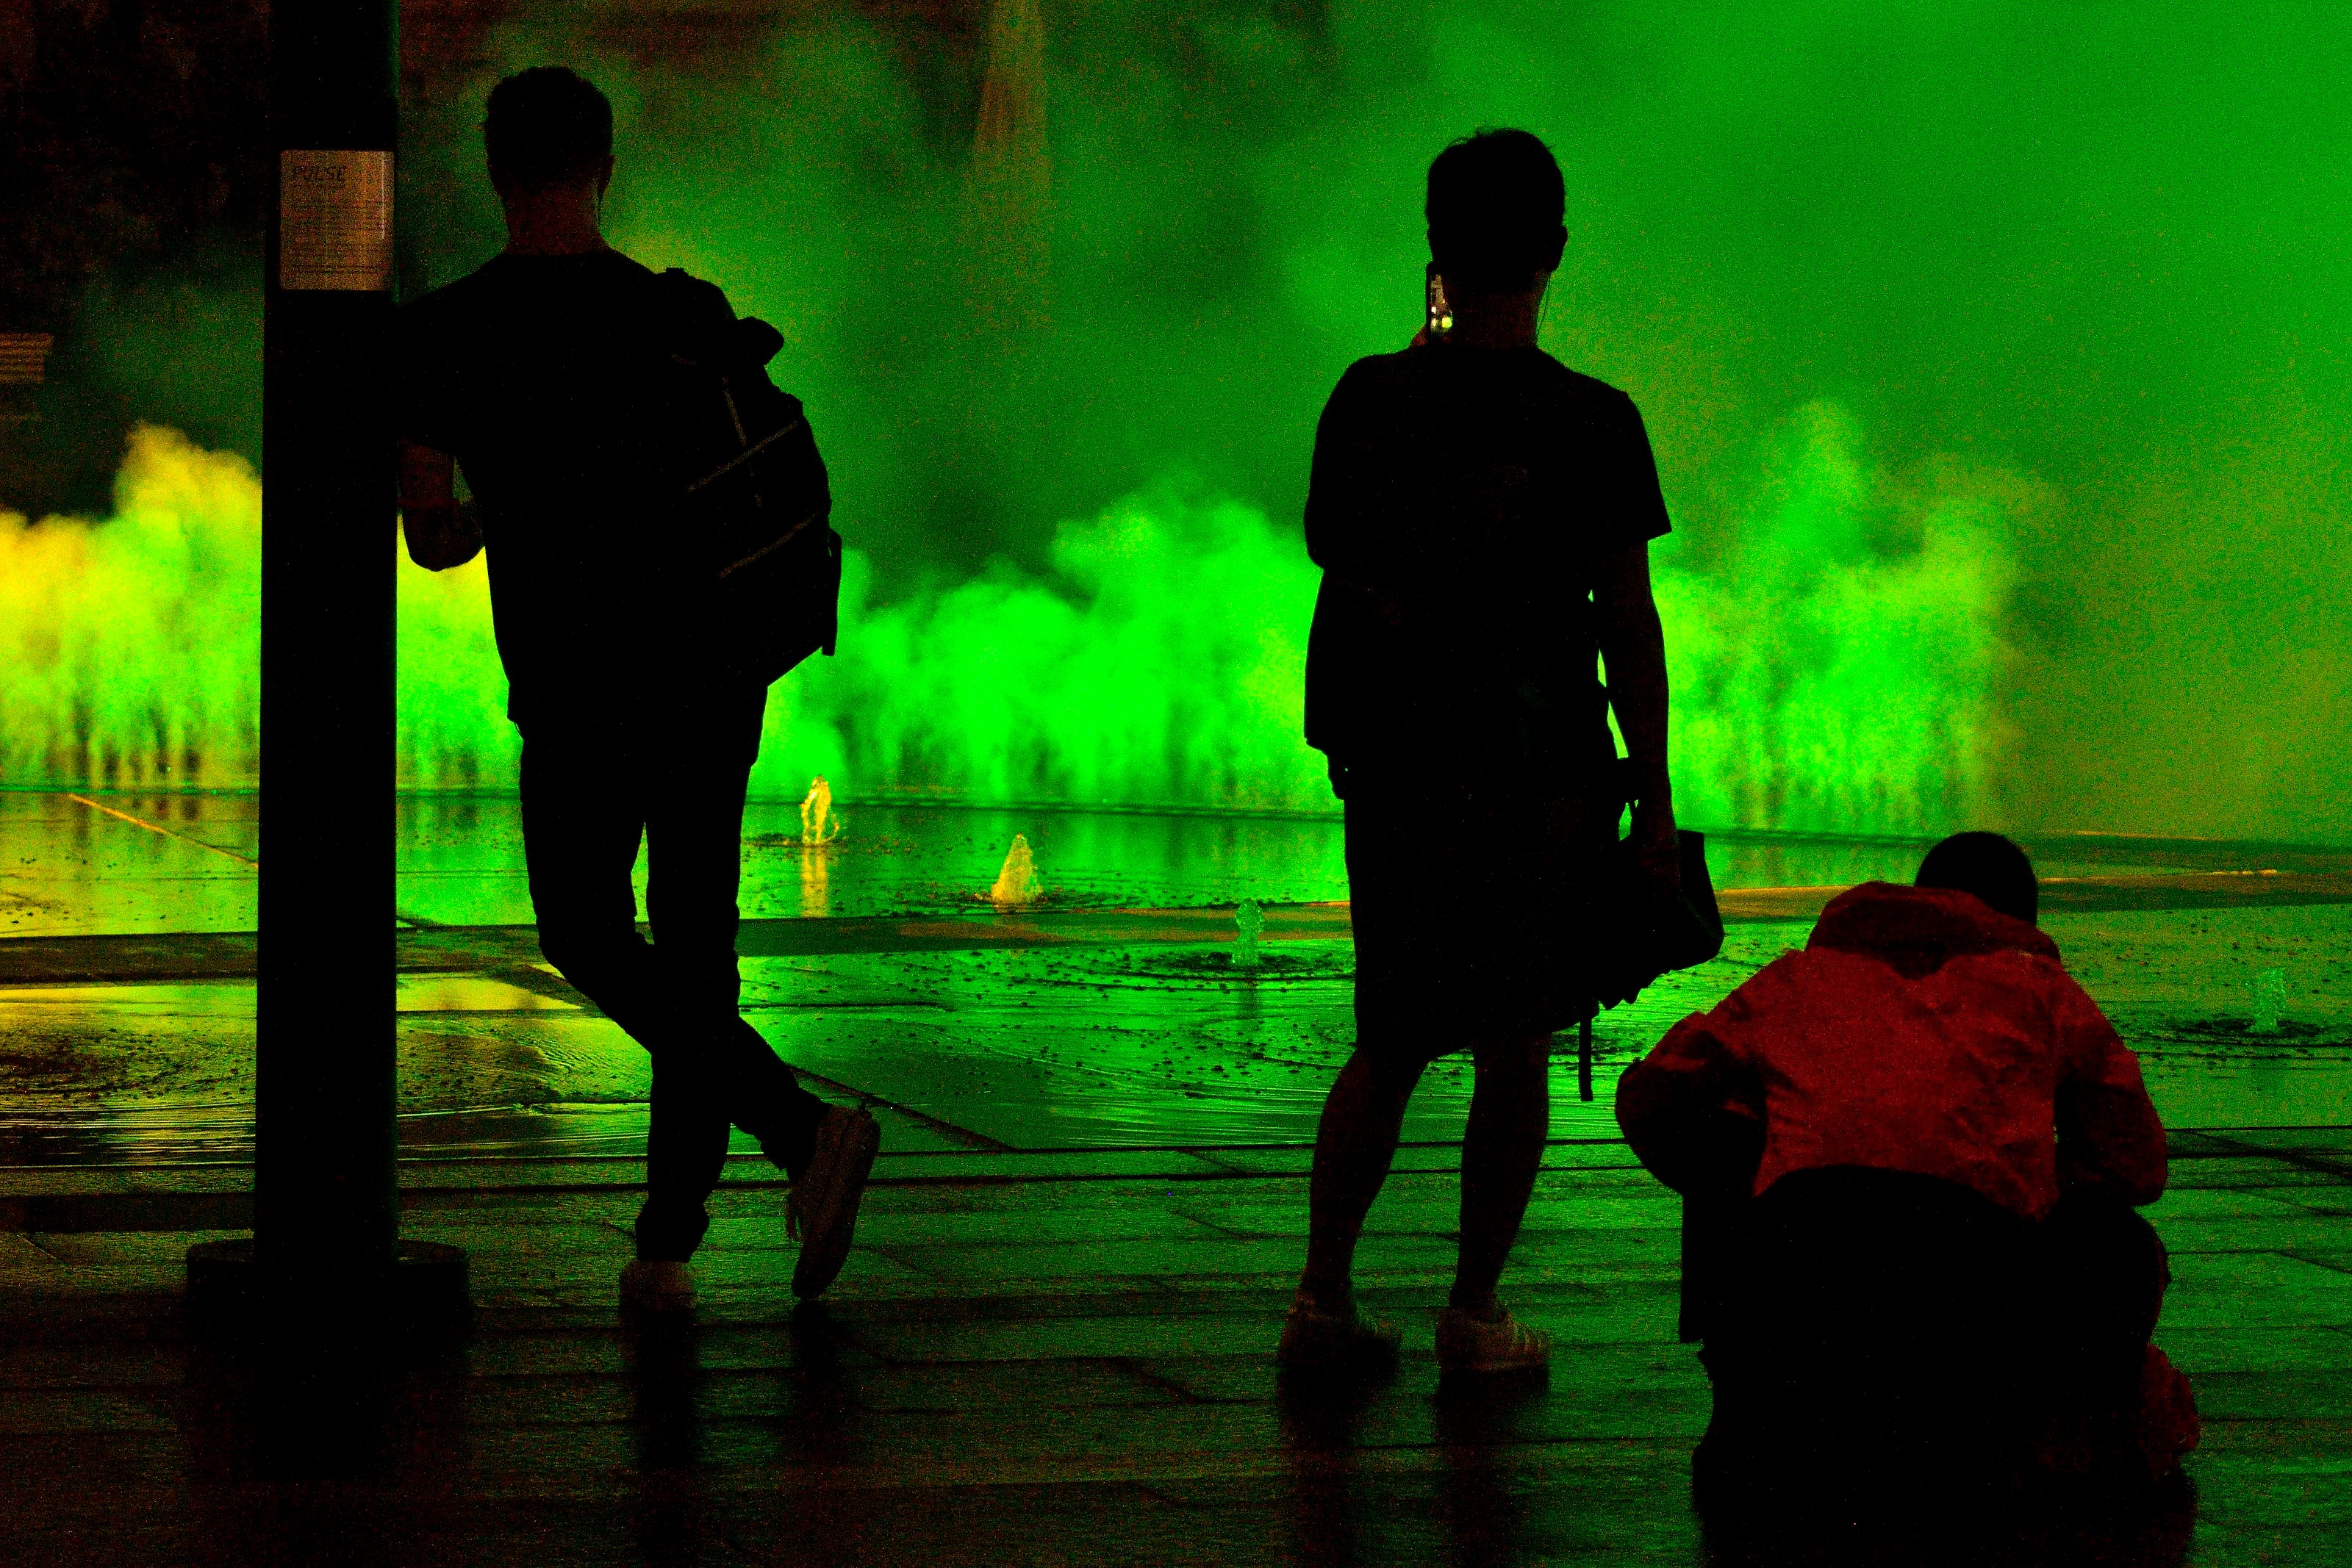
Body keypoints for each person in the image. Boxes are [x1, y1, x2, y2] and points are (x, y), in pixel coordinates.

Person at [395, 66, 878, 1315]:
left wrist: (500, 504)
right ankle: (669, 1239)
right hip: (715, 668)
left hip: (577, 680)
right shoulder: (672, 309)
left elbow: (434, 535)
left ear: (495, 171)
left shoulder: (447, 331)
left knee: (587, 932)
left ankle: (795, 1131)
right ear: (603, 170)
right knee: (696, 942)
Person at [1280, 129, 1682, 1375]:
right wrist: (1656, 805)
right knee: (1514, 1044)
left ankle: (1323, 1296)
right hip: (1542, 775)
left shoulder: (1367, 399)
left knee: (1390, 1035)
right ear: (1557, 249)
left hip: (1399, 769)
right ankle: (1472, 1309)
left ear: (1436, 248)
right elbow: (1627, 625)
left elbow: (1340, 556)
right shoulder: (1596, 422)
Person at [1616, 832, 2200, 1510]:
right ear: (2022, 921)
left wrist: (1747, 1168)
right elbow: (2139, 1167)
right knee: (2118, 1246)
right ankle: (2041, 1436)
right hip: (1974, 1295)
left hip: (1799, 1279)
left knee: (1727, 1140)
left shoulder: (1794, 980)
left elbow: (1653, 1093)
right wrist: (2041, 1167)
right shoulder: (2043, 989)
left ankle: (1750, 1408)